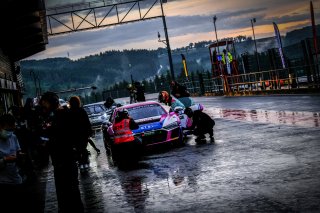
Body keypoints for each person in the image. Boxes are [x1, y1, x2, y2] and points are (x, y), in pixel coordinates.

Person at [39, 92, 84, 213]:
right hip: (59, 161)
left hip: (66, 159)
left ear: (51, 103)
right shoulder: (53, 117)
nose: (44, 107)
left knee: (70, 192)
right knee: (65, 193)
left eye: (45, 104)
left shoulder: (63, 116)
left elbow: (72, 135)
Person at [0, 114, 25, 212]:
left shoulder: (13, 137)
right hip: (3, 183)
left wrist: (21, 157)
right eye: (8, 129)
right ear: (1, 126)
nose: (10, 132)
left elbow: (18, 152)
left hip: (16, 179)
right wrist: (5, 160)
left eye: (12, 129)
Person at [68, 96, 94, 171]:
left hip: (74, 135)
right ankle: (85, 163)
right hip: (83, 134)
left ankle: (81, 163)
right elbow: (87, 122)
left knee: (78, 150)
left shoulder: (69, 112)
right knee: (83, 148)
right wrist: (90, 131)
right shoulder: (82, 111)